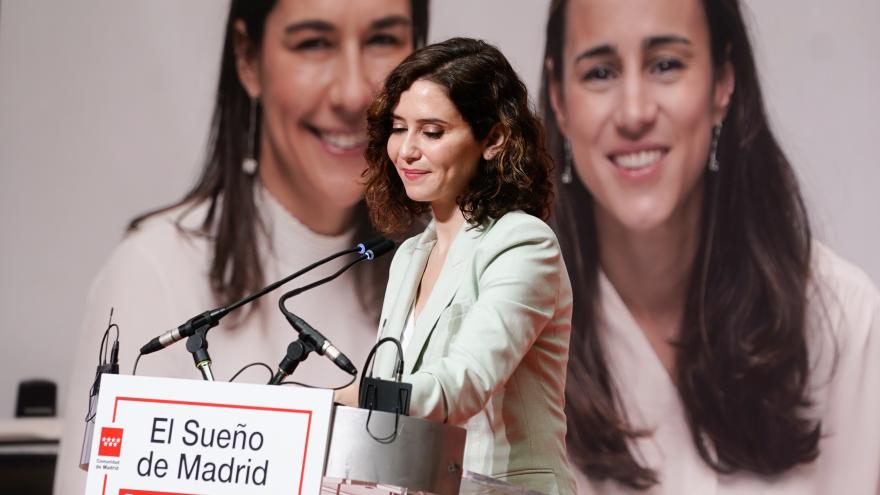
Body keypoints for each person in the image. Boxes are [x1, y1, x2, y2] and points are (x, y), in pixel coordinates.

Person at [54, 1, 428, 493]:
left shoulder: (453, 268)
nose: (354, 92)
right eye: (314, 43)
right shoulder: (155, 273)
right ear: (248, 60)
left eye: (382, 40)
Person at [540, 0, 880, 493]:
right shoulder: (502, 336)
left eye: (666, 65)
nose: (634, 112)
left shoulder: (844, 322)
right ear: (559, 98)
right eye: (599, 72)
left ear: (723, 82)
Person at [349, 37, 576, 495]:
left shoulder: (523, 242)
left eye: (432, 132)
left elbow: (463, 384)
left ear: (493, 139)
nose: (407, 151)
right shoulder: (410, 257)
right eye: (398, 128)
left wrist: (342, 400)